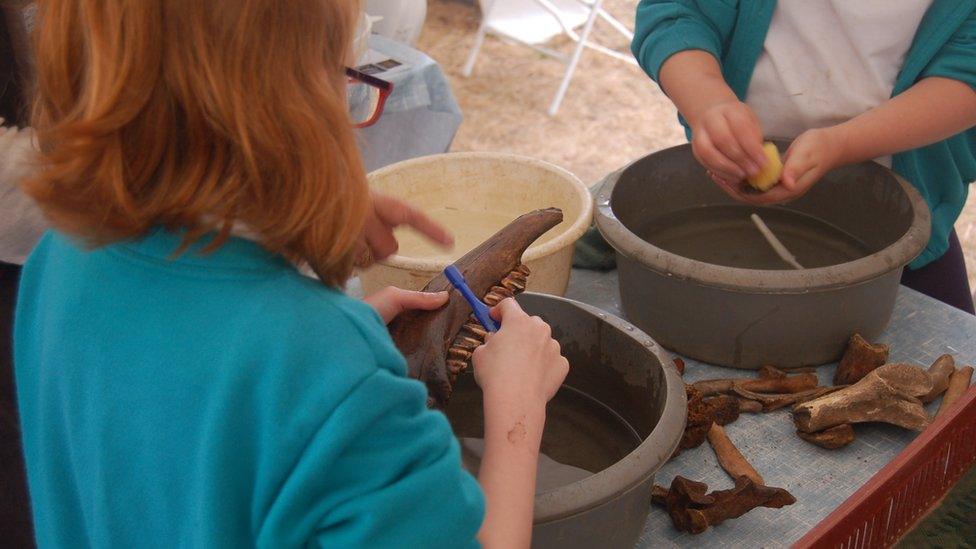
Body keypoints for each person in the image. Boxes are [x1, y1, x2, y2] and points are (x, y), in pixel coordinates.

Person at [14, 1, 568, 548]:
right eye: (349, 81)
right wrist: (518, 408)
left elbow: (177, 430)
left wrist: (317, 320)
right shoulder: (325, 375)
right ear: (295, 111)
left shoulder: (59, 260)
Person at [631, 1, 976, 313]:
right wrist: (708, 102)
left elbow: (966, 73)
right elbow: (677, 12)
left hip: (902, 216)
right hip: (722, 194)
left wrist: (841, 145)